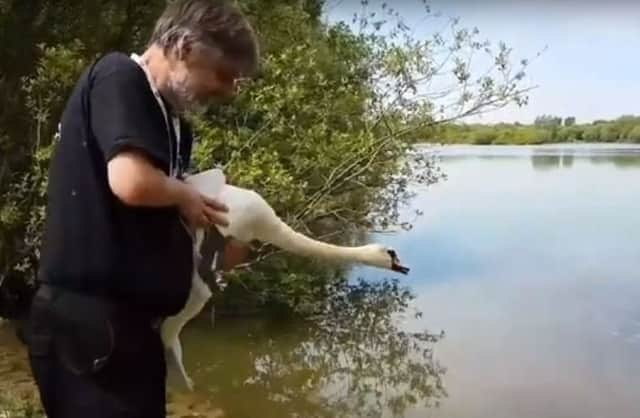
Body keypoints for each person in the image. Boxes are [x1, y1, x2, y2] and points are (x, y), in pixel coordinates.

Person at [25, 1, 259, 417]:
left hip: (129, 336)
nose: (226, 90)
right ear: (185, 46)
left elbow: (151, 215)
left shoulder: (174, 123)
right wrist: (186, 196)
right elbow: (130, 182)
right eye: (223, 74)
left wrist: (217, 246)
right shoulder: (121, 76)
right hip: (89, 332)